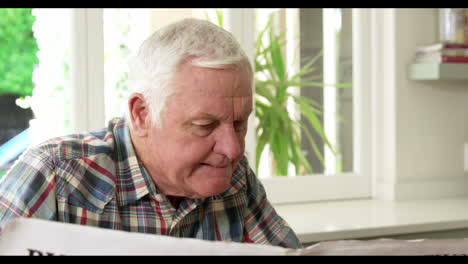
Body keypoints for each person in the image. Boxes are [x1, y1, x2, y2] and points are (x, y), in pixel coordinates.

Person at [0, 18, 301, 249]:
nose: (233, 149)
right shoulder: (55, 173)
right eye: (204, 126)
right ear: (141, 114)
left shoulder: (234, 179)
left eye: (239, 124)